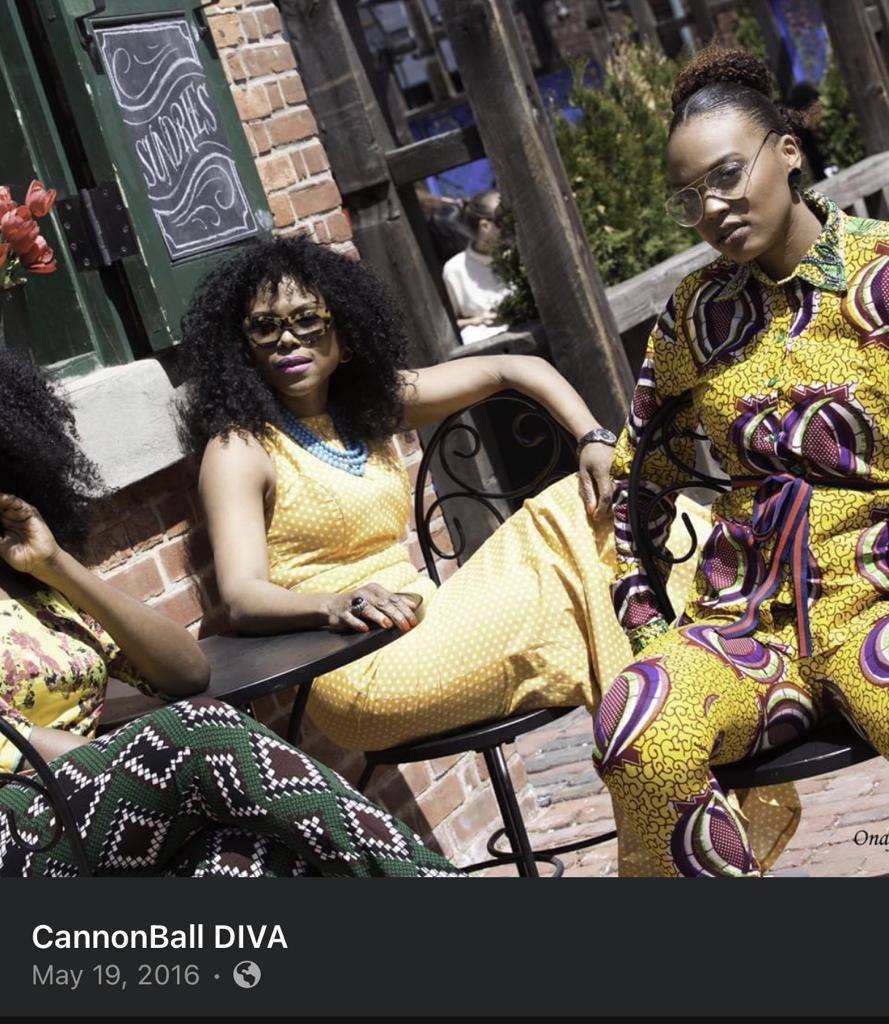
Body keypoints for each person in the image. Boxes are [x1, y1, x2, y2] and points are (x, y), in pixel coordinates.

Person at [176, 231, 778, 877]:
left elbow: (513, 368)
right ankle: (738, 659)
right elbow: (241, 595)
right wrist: (332, 603)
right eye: (263, 327)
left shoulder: (366, 408)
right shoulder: (240, 448)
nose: (287, 340)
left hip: (429, 619)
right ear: (241, 346)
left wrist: (594, 438)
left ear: (343, 332)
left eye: (306, 320)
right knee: (586, 559)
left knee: (593, 545)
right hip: (356, 665)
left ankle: (675, 773)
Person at [593, 47, 888, 877]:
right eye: (690, 197)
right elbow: (636, 482)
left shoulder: (880, 273)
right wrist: (649, 628)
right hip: (745, 624)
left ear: (787, 150)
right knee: (636, 728)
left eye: (727, 175)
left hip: (875, 601)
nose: (712, 208)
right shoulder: (697, 312)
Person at [0, 350, 459, 878]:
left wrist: (57, 566)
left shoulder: (35, 585)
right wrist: (139, 762)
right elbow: (28, 750)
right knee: (198, 732)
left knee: (251, 857)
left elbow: (186, 672)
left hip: (84, 820)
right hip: (20, 831)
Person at [441, 190, 511, 343]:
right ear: (485, 225)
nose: (510, 226)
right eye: (502, 220)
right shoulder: (454, 269)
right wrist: (477, 320)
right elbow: (447, 325)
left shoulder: (518, 253)